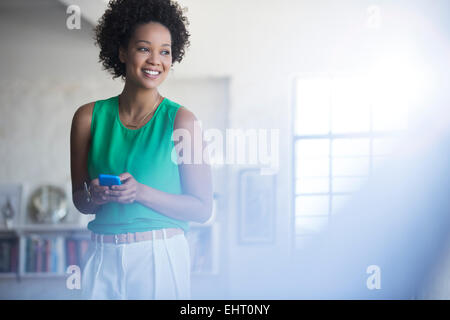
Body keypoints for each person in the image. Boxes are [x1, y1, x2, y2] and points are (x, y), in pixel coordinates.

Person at [70, 0, 213, 300]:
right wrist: (94, 195)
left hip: (159, 256)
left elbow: (202, 208)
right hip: (101, 256)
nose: (155, 60)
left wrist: (140, 193)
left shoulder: (182, 121)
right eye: (144, 48)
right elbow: (81, 202)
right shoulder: (87, 118)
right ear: (122, 51)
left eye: (165, 52)